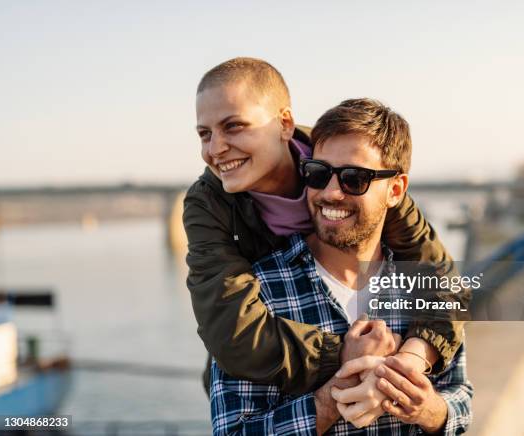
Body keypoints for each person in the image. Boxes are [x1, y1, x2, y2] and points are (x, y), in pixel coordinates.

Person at [184, 57, 467, 395]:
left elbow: (443, 283)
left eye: (234, 127)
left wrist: (410, 358)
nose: (215, 149)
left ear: (284, 124)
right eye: (205, 134)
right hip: (266, 378)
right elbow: (233, 333)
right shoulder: (209, 204)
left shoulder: (355, 164)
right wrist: (345, 353)